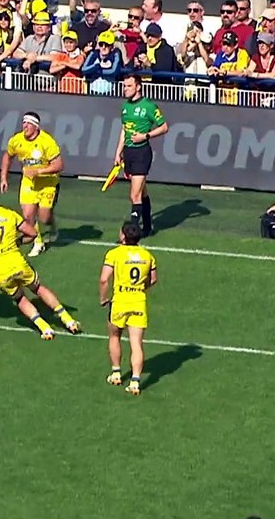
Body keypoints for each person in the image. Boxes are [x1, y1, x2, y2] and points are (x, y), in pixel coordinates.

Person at [0, 185, 82, 340]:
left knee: (20, 298)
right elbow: (32, 233)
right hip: (17, 261)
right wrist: (18, 242)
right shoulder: (9, 213)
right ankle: (68, 320)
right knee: (37, 288)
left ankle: (45, 328)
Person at [99, 221, 157, 396]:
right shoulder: (147, 255)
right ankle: (135, 381)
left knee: (114, 335)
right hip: (138, 301)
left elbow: (104, 279)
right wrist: (140, 289)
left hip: (120, 301)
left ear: (123, 235)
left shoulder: (114, 254)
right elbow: (153, 279)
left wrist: (103, 298)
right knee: (136, 343)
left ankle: (116, 372)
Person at [0, 111, 64, 257]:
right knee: (28, 215)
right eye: (23, 123)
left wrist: (39, 172)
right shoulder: (16, 140)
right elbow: (7, 156)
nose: (25, 126)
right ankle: (38, 242)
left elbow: (59, 165)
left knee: (44, 218)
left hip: (48, 183)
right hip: (28, 183)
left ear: (36, 126)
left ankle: (52, 224)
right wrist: (4, 178)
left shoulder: (47, 141)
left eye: (28, 123)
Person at [114, 74, 168, 236]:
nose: (125, 89)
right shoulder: (125, 107)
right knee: (142, 191)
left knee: (134, 194)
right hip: (129, 153)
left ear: (138, 87)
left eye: (129, 86)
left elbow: (164, 127)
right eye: (124, 86)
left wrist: (146, 136)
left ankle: (132, 231)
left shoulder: (148, 106)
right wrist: (118, 152)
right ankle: (148, 224)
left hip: (141, 153)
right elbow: (124, 130)